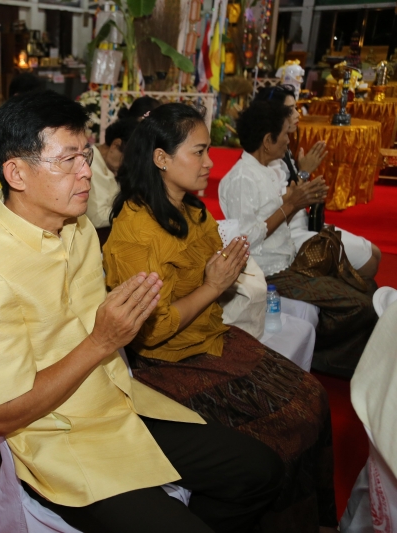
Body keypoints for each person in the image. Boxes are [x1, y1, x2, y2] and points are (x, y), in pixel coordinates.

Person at [0, 90, 283, 533]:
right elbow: (2, 415)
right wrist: (102, 341)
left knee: (260, 470)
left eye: (86, 156)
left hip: (119, 401)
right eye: (69, 161)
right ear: (16, 172)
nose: (87, 173)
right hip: (59, 438)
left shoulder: (77, 227)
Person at [104, 102, 337, 533]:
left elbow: (213, 272)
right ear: (161, 158)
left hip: (210, 337)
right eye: (199, 151)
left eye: (208, 150)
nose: (210, 162)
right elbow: (150, 334)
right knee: (283, 427)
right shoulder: (134, 232)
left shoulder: (192, 210)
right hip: (168, 363)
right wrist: (213, 285)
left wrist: (224, 274)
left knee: (312, 396)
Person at [220, 101, 378, 379]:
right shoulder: (242, 178)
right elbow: (247, 238)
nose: (289, 140)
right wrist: (292, 204)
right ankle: (323, 356)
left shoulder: (266, 168)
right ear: (267, 141)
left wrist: (298, 197)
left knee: (366, 286)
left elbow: (275, 209)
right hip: (269, 272)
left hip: (289, 259)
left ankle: (334, 351)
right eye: (285, 135)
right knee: (361, 306)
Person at [254, 84, 381, 278]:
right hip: (283, 234)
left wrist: (301, 171)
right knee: (369, 263)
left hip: (300, 223)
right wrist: (303, 173)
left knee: (375, 252)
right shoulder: (265, 152)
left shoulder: (283, 144)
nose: (297, 114)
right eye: (291, 110)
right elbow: (276, 207)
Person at [86, 118, 136, 235]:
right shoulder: (91, 164)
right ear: (115, 145)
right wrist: (133, 210)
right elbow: (96, 217)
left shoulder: (105, 164)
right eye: (128, 158)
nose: (127, 164)